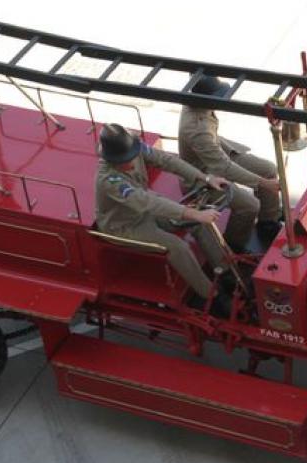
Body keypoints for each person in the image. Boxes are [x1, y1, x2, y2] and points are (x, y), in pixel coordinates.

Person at [94, 123, 232, 315]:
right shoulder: (108, 180)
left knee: (198, 224)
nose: (132, 163)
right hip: (125, 225)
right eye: (124, 161)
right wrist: (195, 214)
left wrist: (205, 178)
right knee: (178, 247)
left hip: (143, 210)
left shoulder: (134, 147)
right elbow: (147, 201)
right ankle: (211, 296)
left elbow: (167, 161)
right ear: (112, 160)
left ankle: (225, 271)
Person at [178, 75, 283, 252]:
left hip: (217, 153)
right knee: (249, 205)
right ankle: (235, 244)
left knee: (268, 169)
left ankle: (267, 222)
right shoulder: (197, 129)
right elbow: (222, 167)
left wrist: (266, 181)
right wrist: (265, 184)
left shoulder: (194, 102)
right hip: (204, 174)